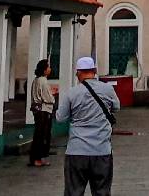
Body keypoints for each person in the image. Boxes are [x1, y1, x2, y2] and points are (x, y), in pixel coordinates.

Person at [56, 56, 120, 196]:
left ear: (78, 73)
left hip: (76, 151)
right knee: (102, 192)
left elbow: (60, 118)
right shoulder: (107, 89)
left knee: (74, 192)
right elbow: (116, 107)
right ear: (95, 71)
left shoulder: (71, 93)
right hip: (102, 150)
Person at [29, 58, 55, 168]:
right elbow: (48, 98)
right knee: (42, 135)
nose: (50, 69)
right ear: (44, 70)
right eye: (48, 67)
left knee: (39, 134)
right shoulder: (43, 81)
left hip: (37, 110)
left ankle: (38, 158)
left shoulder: (36, 80)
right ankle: (38, 158)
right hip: (44, 110)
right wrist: (53, 96)